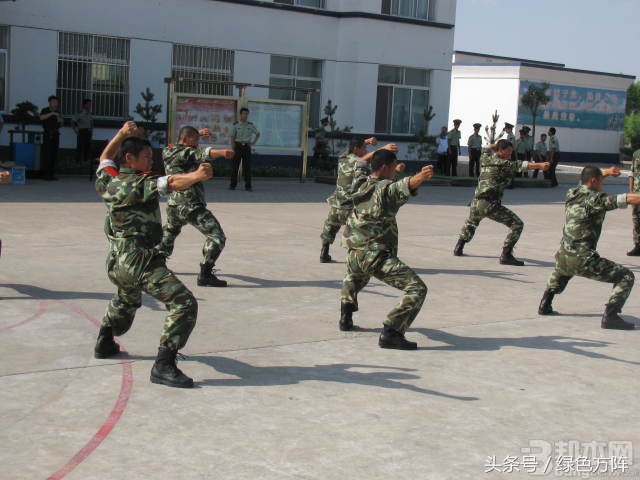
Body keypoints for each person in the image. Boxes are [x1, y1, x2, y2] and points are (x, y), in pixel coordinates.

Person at [94, 121, 214, 388]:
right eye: (147, 156)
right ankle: (164, 364)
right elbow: (170, 182)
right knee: (184, 303)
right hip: (139, 261)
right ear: (130, 158)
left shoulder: (109, 180)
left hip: (116, 261)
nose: (151, 160)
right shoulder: (137, 184)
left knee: (125, 299)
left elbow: (104, 158)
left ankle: (104, 340)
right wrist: (196, 176)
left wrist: (121, 134)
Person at [339, 149, 432, 349]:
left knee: (354, 278)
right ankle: (392, 331)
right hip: (375, 255)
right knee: (417, 289)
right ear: (383, 168)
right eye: (392, 167)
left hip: (354, 253)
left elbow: (360, 165)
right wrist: (422, 176)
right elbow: (402, 187)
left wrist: (382, 159)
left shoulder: (360, 182)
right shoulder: (386, 190)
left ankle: (345, 316)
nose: (394, 171)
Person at [538, 165, 640, 330]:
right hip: (583, 258)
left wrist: (605, 173)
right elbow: (626, 198)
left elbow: (586, 180)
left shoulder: (572, 193)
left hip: (563, 255)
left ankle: (545, 304)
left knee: (563, 272)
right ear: (594, 181)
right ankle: (611, 317)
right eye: (601, 182)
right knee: (626, 276)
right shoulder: (597, 199)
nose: (603, 185)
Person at [157, 126, 234, 287]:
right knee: (216, 236)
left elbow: (186, 144)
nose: (197, 143)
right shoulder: (185, 152)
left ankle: (157, 263)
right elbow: (197, 154)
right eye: (195, 140)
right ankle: (206, 273)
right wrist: (222, 153)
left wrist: (196, 134)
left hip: (173, 205)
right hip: (190, 205)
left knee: (170, 230)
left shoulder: (167, 150)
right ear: (186, 140)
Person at [453, 139, 550, 265]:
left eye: (511, 151)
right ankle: (506, 254)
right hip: (489, 203)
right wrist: (540, 165)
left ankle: (458, 247)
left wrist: (497, 145)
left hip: (476, 202)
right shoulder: (503, 163)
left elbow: (485, 149)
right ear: (500, 151)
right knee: (517, 224)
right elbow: (520, 165)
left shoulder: (485, 159)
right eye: (508, 151)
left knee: (471, 223)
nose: (510, 154)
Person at [320, 137, 398, 263]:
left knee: (330, 226)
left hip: (337, 203)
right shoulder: (360, 164)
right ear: (357, 149)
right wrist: (382, 149)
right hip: (351, 205)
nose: (366, 150)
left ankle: (324, 251)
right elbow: (362, 161)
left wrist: (366, 141)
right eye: (364, 148)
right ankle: (357, 258)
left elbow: (353, 151)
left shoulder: (342, 158)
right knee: (357, 232)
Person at [229, 107, 260, 191]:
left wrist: (253, 143)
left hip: (246, 147)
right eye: (243, 114)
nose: (245, 115)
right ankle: (232, 185)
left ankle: (248, 186)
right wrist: (233, 147)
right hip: (237, 146)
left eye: (246, 114)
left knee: (247, 167)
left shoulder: (250, 125)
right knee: (235, 166)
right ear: (240, 114)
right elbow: (232, 136)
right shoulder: (236, 125)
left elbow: (258, 134)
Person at [39, 95, 64, 181]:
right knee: (47, 154)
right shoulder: (45, 110)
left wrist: (60, 120)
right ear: (49, 102)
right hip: (47, 134)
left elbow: (61, 124)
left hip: (56, 134)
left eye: (56, 102)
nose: (55, 104)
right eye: (53, 102)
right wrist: (52, 113)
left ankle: (52, 174)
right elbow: (41, 117)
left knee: (54, 154)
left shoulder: (58, 112)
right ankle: (46, 174)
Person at [72, 98, 93, 164]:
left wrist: (91, 130)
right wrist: (75, 130)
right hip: (82, 131)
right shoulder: (80, 113)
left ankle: (85, 160)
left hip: (88, 132)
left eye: (90, 104)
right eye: (88, 104)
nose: (90, 106)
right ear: (84, 105)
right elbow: (73, 121)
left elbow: (91, 122)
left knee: (87, 146)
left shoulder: (89, 113)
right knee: (80, 146)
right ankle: (78, 161)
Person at [627, 148, 640, 256]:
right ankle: (637, 246)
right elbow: (631, 173)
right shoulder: (636, 154)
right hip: (637, 193)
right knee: (636, 219)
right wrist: (631, 191)